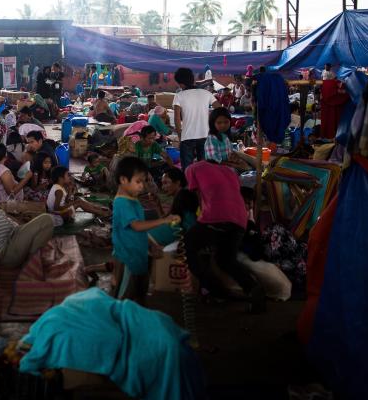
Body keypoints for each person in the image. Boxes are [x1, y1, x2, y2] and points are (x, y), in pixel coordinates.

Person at [184, 159, 265, 312]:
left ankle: (215, 289)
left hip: (216, 215)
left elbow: (199, 197)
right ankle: (253, 288)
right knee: (225, 259)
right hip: (240, 219)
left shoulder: (193, 167)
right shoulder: (229, 171)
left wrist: (199, 221)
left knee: (188, 243)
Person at [112, 157, 182, 304]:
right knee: (125, 297)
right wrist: (164, 220)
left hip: (139, 254)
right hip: (128, 257)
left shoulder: (132, 199)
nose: (142, 186)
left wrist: (152, 244)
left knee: (140, 293)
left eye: (144, 181)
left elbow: (142, 227)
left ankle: (135, 318)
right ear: (124, 180)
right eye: (138, 182)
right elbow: (136, 225)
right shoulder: (122, 203)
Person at [0, 164, 54, 268]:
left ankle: (33, 261)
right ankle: (33, 264)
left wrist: (23, 226)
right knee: (47, 219)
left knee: (38, 224)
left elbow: (11, 221)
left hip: (14, 237)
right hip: (7, 250)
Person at [173, 67, 218, 169]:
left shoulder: (179, 96)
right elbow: (220, 109)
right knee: (204, 167)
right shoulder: (206, 93)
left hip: (187, 137)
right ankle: (202, 184)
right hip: (205, 135)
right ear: (192, 79)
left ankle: (189, 184)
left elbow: (176, 119)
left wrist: (180, 136)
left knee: (188, 169)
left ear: (180, 84)